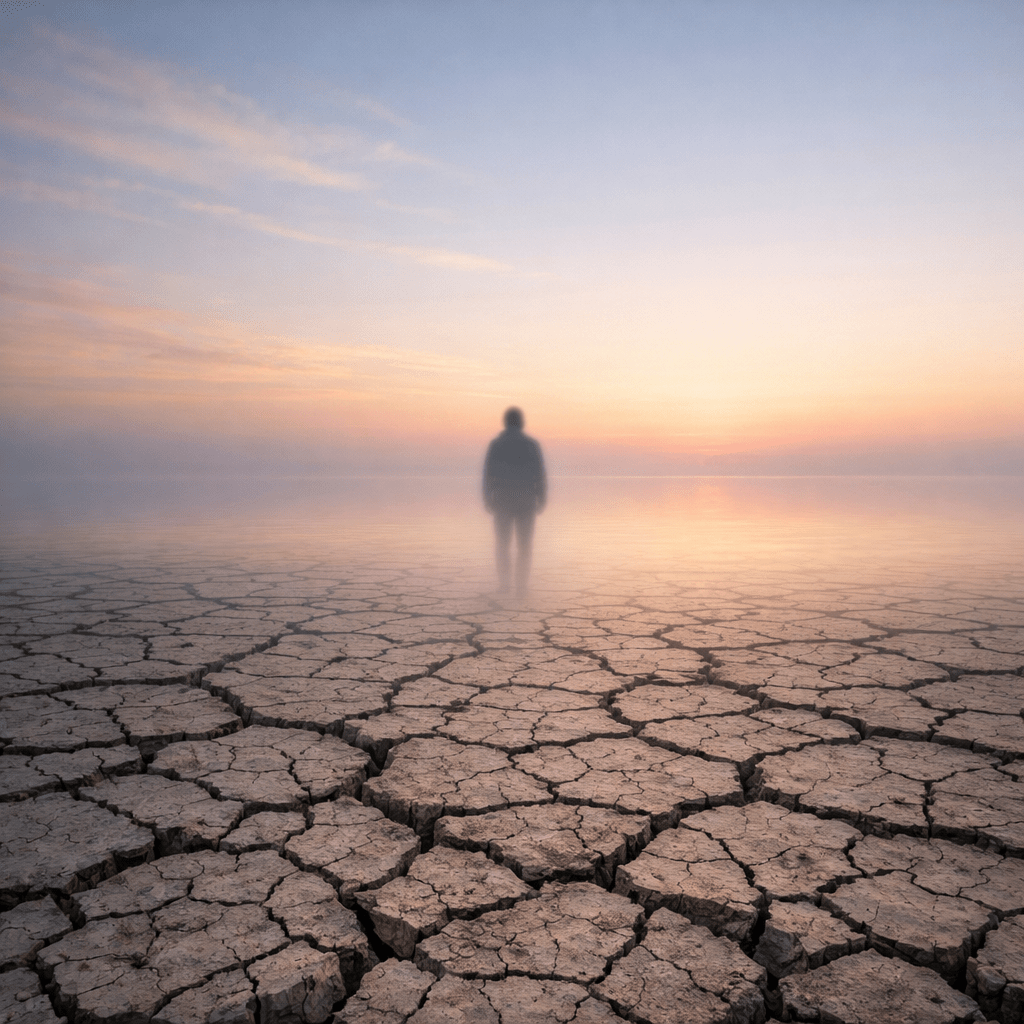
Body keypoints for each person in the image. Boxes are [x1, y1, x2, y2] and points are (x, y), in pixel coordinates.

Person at [483, 407, 546, 595]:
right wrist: (541, 497)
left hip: (502, 500)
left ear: (505, 422)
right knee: (524, 546)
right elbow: (539, 474)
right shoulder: (531, 445)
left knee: (502, 545)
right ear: (521, 423)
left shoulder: (496, 445)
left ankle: (504, 586)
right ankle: (521, 587)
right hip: (526, 501)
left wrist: (488, 498)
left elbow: (488, 474)